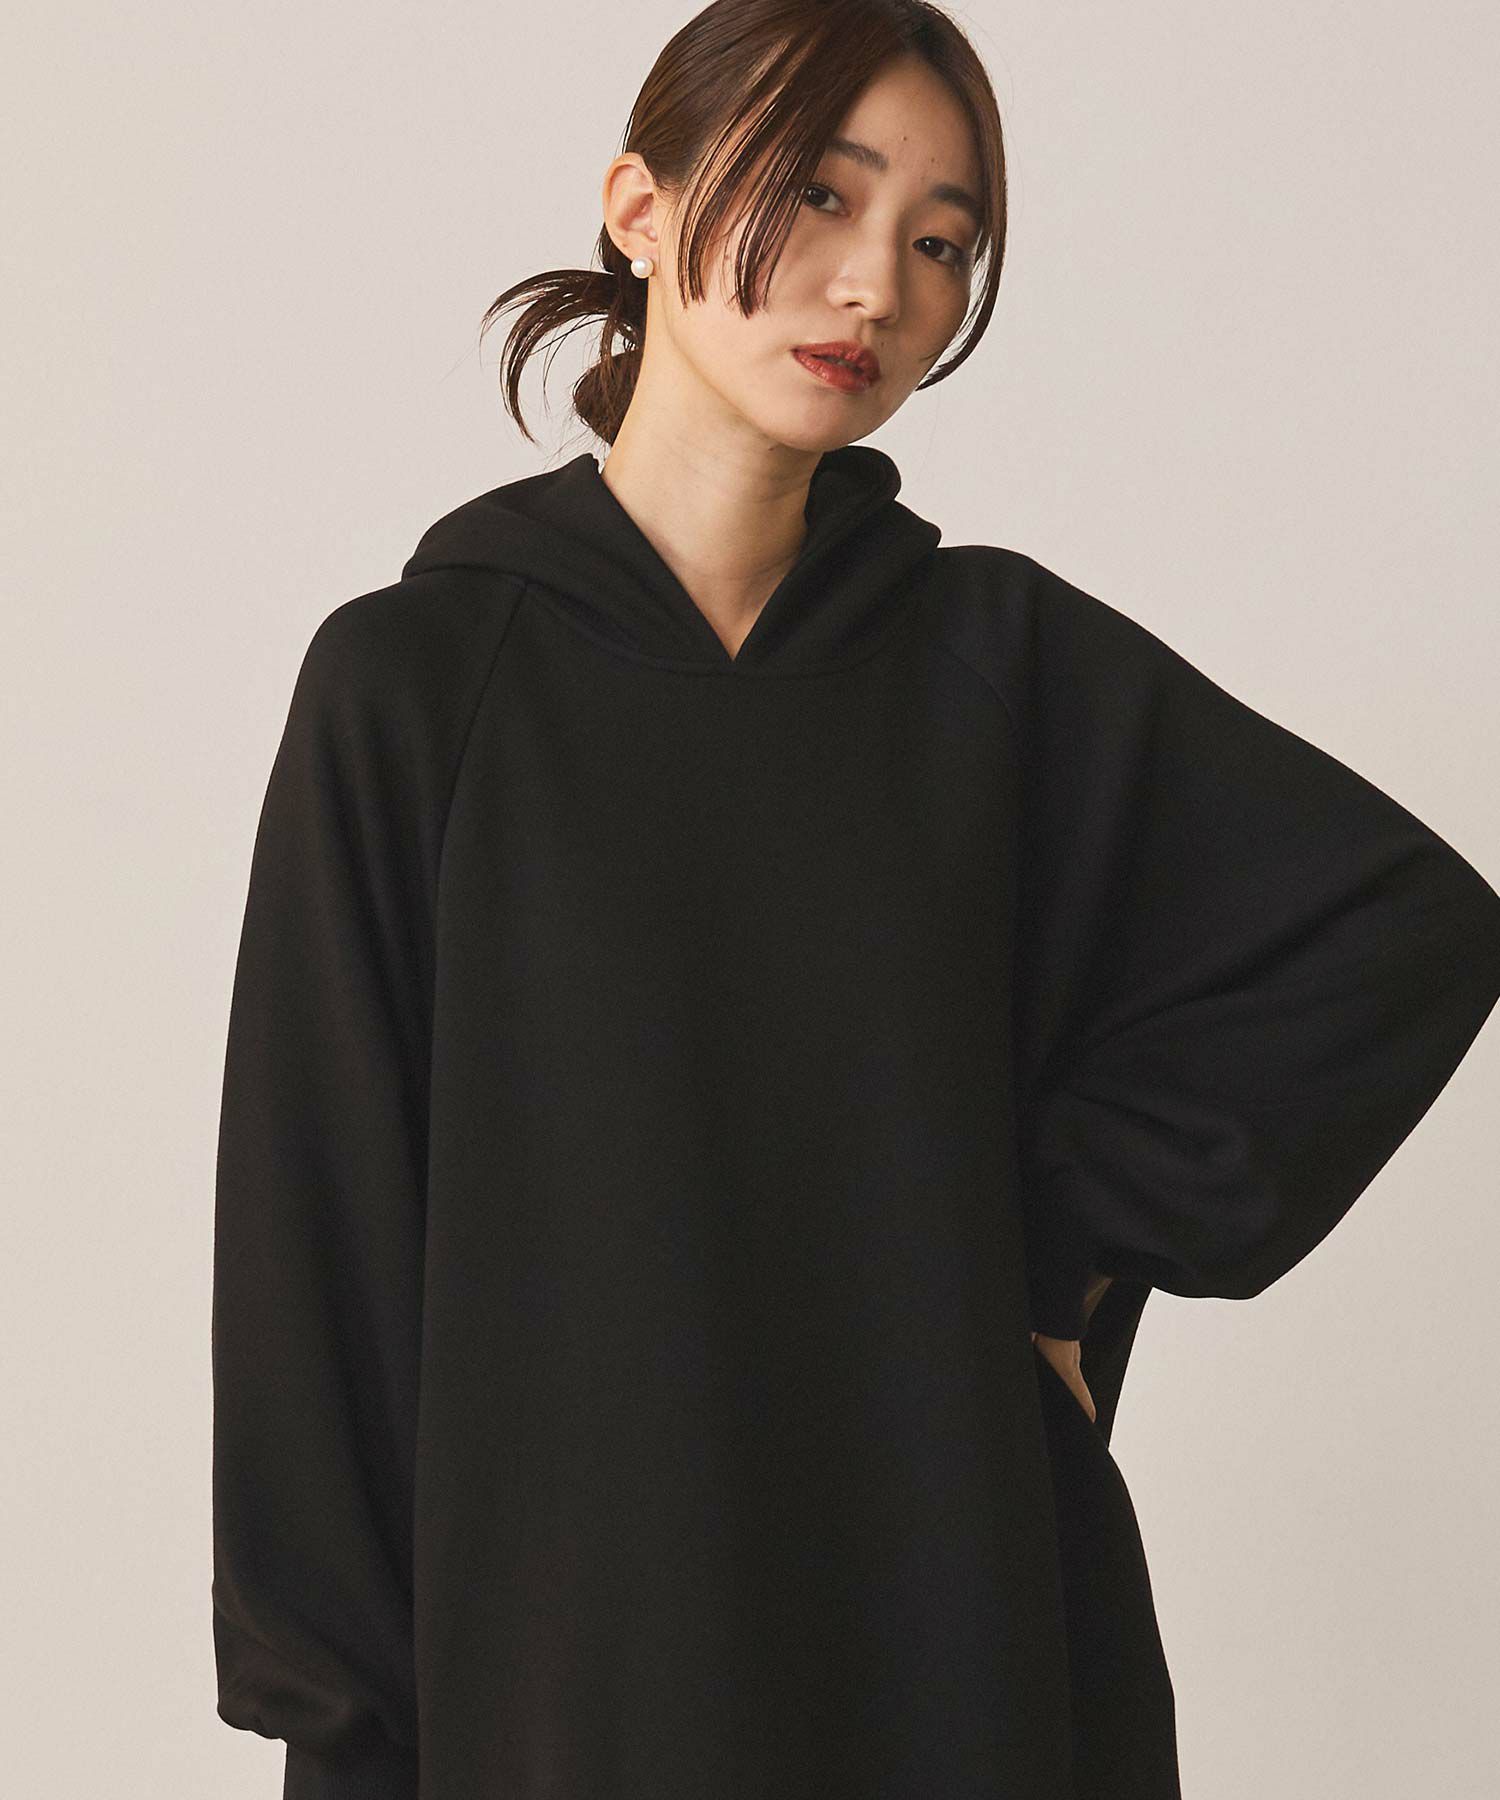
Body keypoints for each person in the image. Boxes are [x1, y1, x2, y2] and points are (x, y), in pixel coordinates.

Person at [209, 2, 1500, 1796]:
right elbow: (324, 1259)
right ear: (640, 207)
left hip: (966, 1643)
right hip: (567, 1683)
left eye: (943, 241)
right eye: (820, 193)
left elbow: (1398, 930)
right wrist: (346, 1733)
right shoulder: (419, 688)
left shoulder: (999, 670)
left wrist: (1060, 1243)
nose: (877, 284)